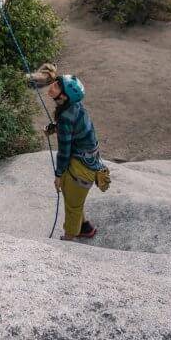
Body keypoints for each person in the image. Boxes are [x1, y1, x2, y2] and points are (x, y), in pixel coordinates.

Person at [45, 74, 111, 241]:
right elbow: (74, 126)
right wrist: (56, 127)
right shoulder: (74, 106)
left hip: (82, 166)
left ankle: (69, 236)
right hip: (88, 158)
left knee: (73, 204)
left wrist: (58, 175)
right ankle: (85, 227)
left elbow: (64, 151)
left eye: (57, 85)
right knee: (73, 197)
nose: (52, 85)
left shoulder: (66, 117)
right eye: (54, 82)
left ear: (64, 96)